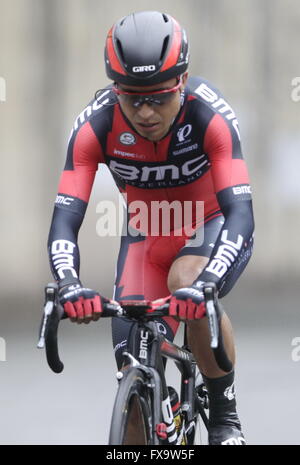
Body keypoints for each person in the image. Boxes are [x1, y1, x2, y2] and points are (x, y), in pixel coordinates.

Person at [47, 11, 254, 445]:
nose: (144, 112)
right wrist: (68, 283)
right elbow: (66, 219)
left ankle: (224, 416)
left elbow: (240, 213)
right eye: (132, 98)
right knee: (134, 382)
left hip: (211, 227)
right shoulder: (95, 124)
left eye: (158, 98)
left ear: (181, 82)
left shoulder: (209, 115)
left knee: (188, 281)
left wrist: (210, 282)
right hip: (147, 238)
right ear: (115, 90)